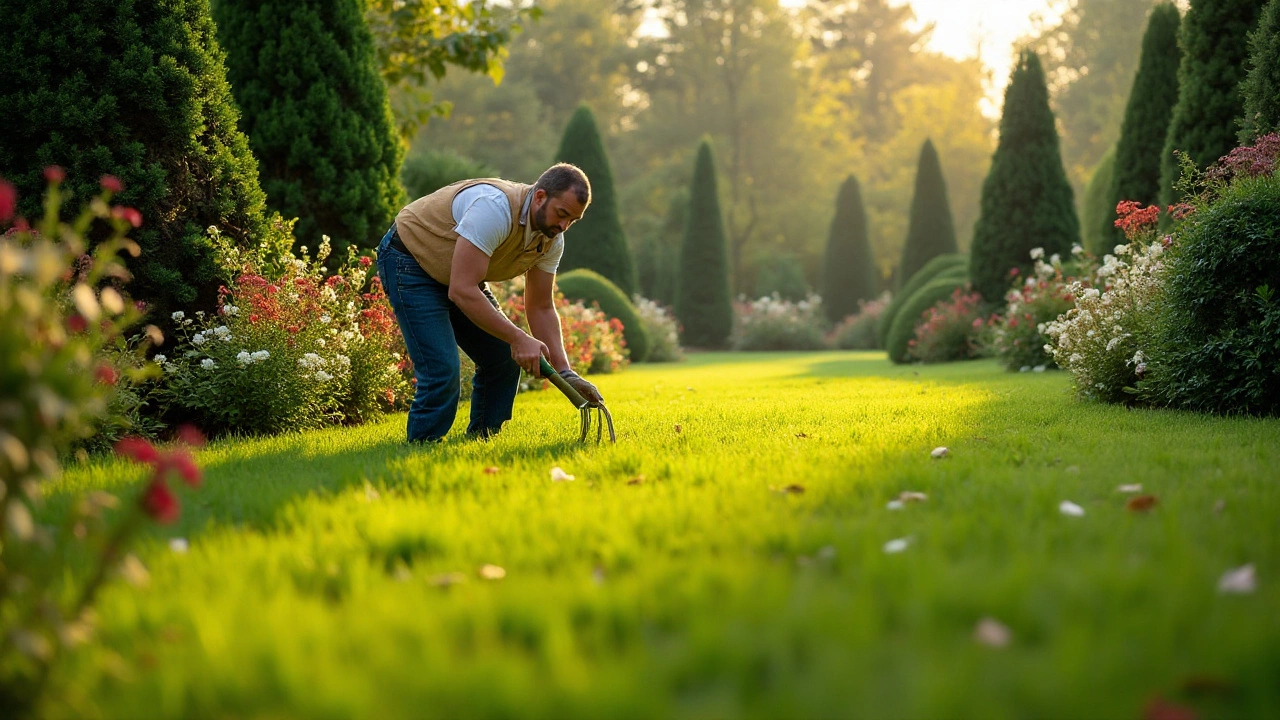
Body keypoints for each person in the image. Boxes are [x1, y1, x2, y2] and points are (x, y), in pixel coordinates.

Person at [376, 163, 604, 443]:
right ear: (541, 196)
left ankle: (482, 440)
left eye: (573, 220)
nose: (564, 226)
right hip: (410, 259)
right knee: (443, 370)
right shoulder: (494, 209)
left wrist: (565, 372)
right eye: (562, 214)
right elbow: (462, 290)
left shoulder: (551, 239)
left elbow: (541, 306)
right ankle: (422, 446)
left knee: (502, 357)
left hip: (456, 276)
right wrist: (519, 338)